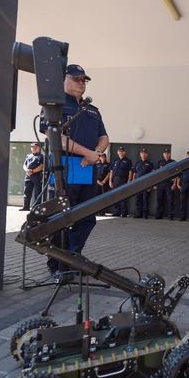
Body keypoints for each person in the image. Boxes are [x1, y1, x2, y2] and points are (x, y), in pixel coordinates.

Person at [40, 64, 109, 281]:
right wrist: (87, 152)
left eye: (84, 80)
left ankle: (72, 257)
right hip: (65, 167)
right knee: (61, 217)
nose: (82, 83)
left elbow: (104, 137)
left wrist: (96, 153)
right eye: (77, 79)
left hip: (87, 168)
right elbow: (54, 137)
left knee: (87, 216)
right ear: (64, 80)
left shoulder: (93, 109)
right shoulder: (54, 106)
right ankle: (57, 263)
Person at [108, 146, 133, 217]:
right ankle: (116, 212)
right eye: (119, 151)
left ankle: (124, 212)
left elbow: (130, 171)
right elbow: (111, 171)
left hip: (123, 180)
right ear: (117, 152)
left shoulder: (128, 161)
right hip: (115, 180)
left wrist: (129, 180)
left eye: (122, 151)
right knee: (115, 196)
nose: (120, 153)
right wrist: (110, 181)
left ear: (124, 152)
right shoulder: (115, 160)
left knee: (123, 197)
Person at [21, 142, 44, 211]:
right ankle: (26, 207)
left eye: (36, 147)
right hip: (28, 176)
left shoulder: (41, 156)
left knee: (37, 193)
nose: (34, 148)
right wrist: (27, 170)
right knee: (27, 192)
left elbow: (42, 166)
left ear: (39, 148)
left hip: (37, 176)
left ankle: (36, 208)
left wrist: (32, 171)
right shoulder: (28, 155)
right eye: (32, 147)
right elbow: (24, 165)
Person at [155, 148, 176, 220]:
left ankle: (170, 215)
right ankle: (159, 215)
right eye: (165, 153)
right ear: (163, 154)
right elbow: (156, 174)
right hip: (160, 183)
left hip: (169, 183)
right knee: (159, 199)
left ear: (170, 154)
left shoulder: (173, 162)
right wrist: (155, 184)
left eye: (168, 153)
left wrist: (174, 184)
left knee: (170, 200)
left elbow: (176, 174)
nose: (166, 155)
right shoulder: (160, 162)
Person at [133, 148, 154, 218]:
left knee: (145, 200)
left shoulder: (150, 164)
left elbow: (152, 175)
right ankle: (138, 214)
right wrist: (133, 184)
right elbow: (134, 174)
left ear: (147, 154)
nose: (143, 154)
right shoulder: (137, 163)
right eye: (142, 153)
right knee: (138, 199)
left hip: (146, 185)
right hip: (138, 185)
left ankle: (145, 214)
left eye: (145, 153)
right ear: (140, 154)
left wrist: (150, 186)